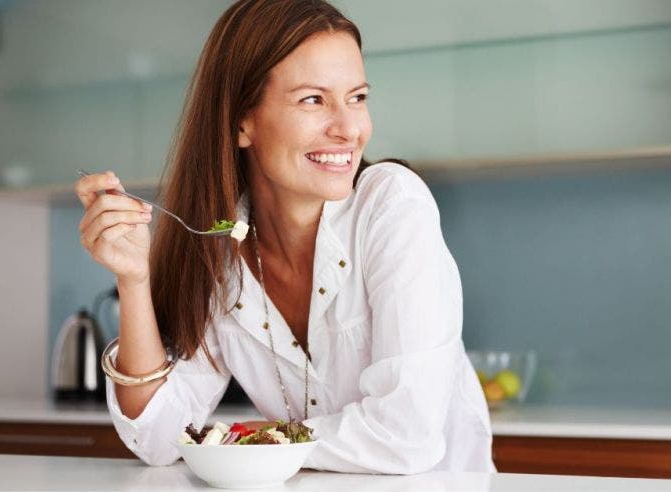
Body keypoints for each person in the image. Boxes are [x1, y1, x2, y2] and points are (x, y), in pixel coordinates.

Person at [74, 0, 494, 474]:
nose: (349, 129)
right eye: (313, 99)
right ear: (240, 121)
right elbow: (157, 437)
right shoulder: (218, 248)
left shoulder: (392, 206)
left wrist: (240, 441)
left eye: (357, 97)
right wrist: (133, 279)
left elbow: (405, 436)